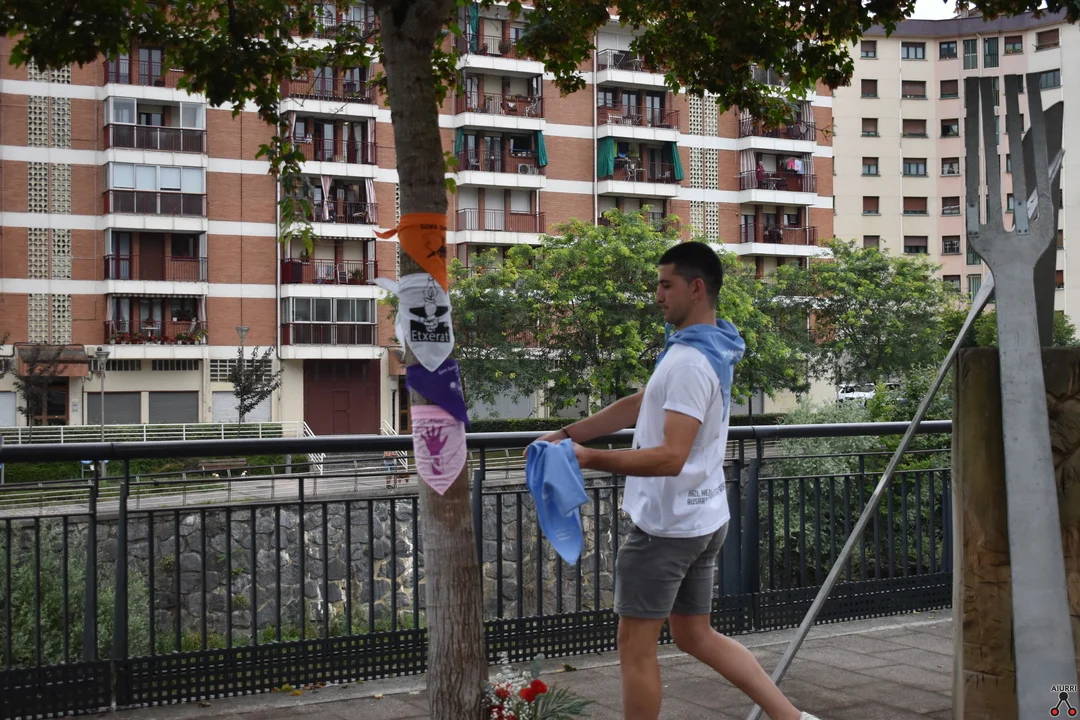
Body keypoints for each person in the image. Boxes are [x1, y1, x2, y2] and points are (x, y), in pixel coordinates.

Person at [532, 241, 818, 720]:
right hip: (703, 517)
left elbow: (670, 457)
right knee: (694, 634)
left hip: (666, 529)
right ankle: (792, 718)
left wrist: (586, 457)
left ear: (696, 288)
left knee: (635, 647)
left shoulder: (688, 362)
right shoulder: (708, 346)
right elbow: (639, 403)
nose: (657, 295)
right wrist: (565, 434)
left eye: (666, 285)